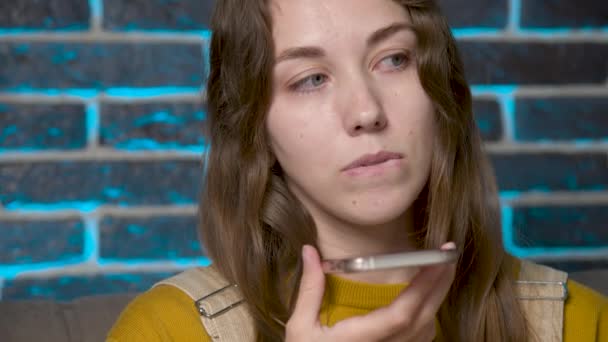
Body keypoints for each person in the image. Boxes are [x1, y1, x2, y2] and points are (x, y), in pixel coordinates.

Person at [107, 0, 607, 341]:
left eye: (393, 59)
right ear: (255, 128)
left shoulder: (576, 322)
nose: (366, 111)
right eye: (311, 79)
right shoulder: (168, 330)